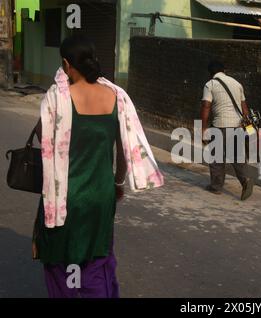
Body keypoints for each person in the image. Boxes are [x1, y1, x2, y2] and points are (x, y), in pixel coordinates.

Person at [33, 35, 164, 298]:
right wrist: (117, 182)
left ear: (66, 64)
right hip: (101, 196)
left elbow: (42, 137)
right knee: (96, 258)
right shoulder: (116, 96)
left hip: (67, 197)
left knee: (63, 262)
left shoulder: (58, 97)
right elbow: (126, 150)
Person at [201, 60, 254, 201]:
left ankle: (216, 186)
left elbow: (206, 106)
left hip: (220, 125)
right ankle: (246, 180)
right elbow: (244, 109)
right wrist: (248, 128)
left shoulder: (210, 85)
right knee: (236, 156)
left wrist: (204, 128)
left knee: (217, 157)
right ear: (224, 70)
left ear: (211, 73)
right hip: (237, 125)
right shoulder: (237, 83)